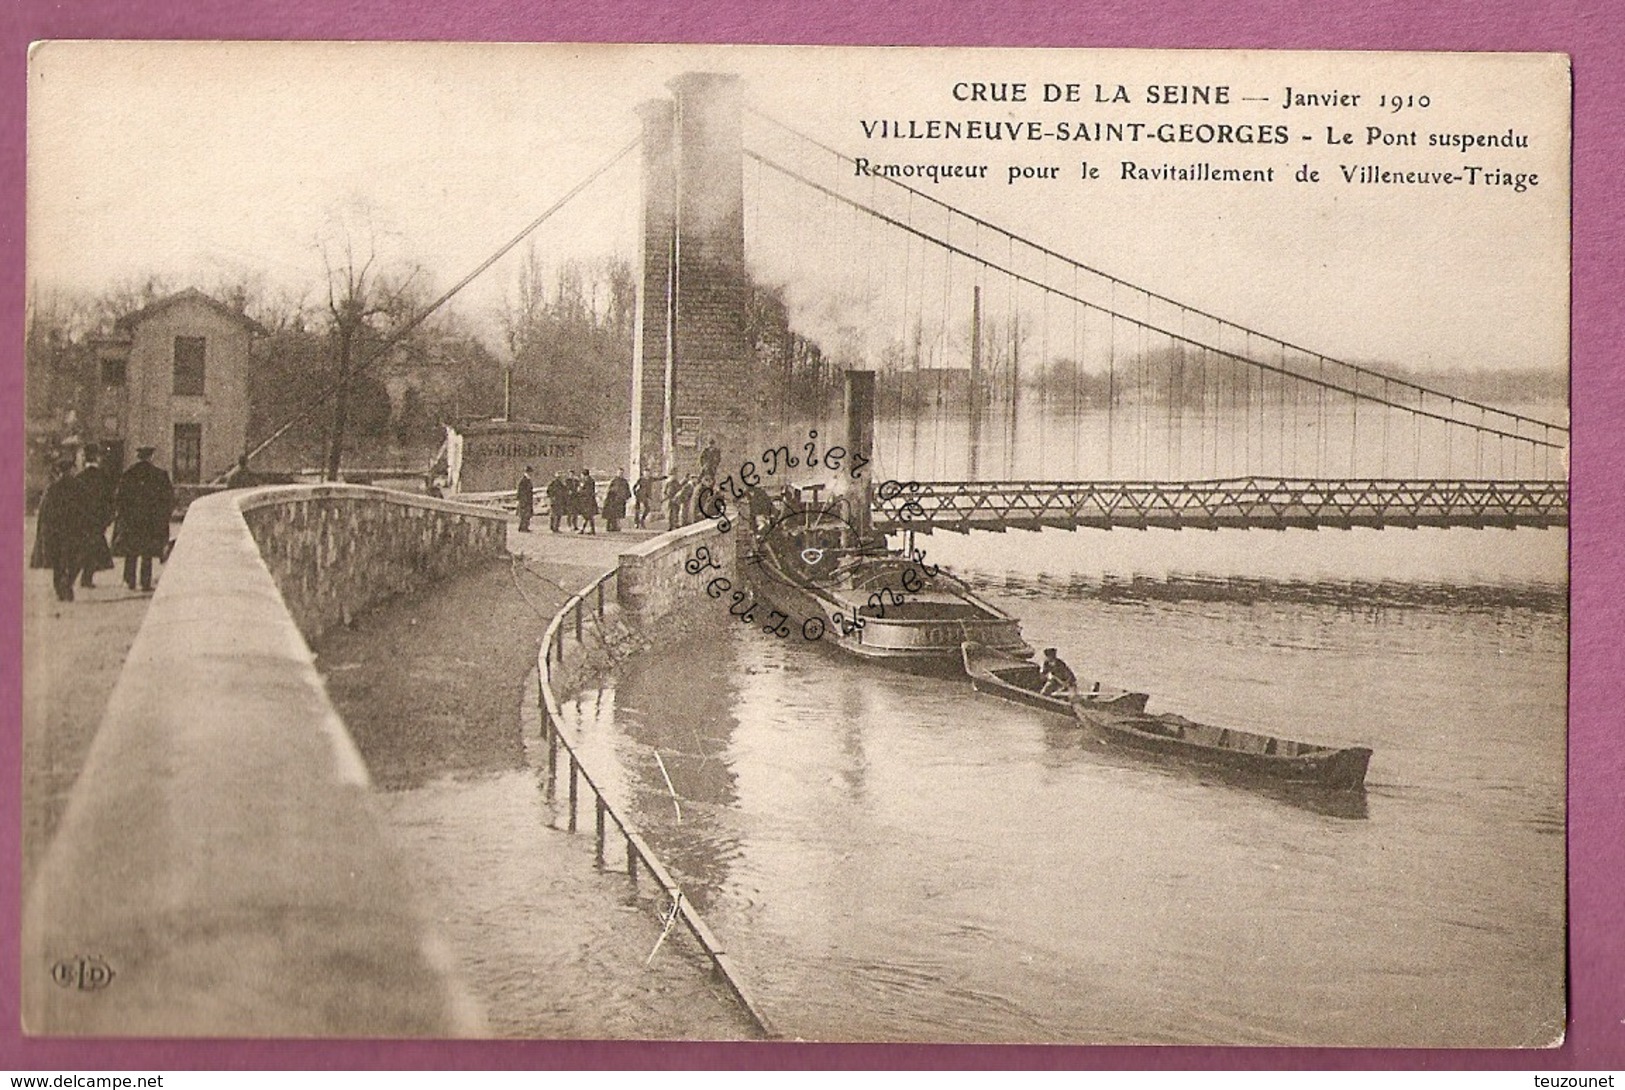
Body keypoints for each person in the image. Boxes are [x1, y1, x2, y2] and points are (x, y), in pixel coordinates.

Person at [112, 445, 175, 593]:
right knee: (147, 552)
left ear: (138, 457)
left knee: (131, 551)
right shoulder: (160, 474)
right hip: (150, 521)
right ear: (151, 457)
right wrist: (163, 517)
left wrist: (124, 516)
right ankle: (145, 582)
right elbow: (168, 499)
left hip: (132, 520)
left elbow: (120, 499)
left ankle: (130, 580)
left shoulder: (128, 474)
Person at [36, 459, 89, 602]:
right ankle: (68, 583)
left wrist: (45, 530)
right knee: (75, 559)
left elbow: (45, 511)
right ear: (70, 470)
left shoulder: (52, 488)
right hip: (74, 529)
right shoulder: (79, 486)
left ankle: (60, 588)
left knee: (58, 561)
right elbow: (86, 509)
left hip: (57, 530)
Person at [76, 445, 116, 588]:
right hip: (98, 521)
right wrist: (108, 519)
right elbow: (110, 500)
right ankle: (87, 578)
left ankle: (81, 577)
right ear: (97, 458)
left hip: (82, 521)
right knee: (95, 548)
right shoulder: (103, 477)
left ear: (85, 458)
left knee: (82, 547)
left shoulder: (79, 477)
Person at [603, 469, 631, 533]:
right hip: (613, 500)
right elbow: (609, 489)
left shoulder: (624, 481)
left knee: (618, 514)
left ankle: (616, 527)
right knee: (612, 514)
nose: (620, 474)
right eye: (619, 473)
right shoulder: (614, 481)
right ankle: (610, 527)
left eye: (621, 473)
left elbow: (627, 490)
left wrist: (627, 497)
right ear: (617, 473)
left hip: (621, 500)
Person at [577, 469, 599, 534]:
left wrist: (580, 491)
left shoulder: (586, 481)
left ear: (583, 475)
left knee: (587, 516)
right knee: (588, 516)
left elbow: (587, 491)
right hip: (590, 500)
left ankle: (588, 530)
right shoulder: (591, 480)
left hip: (586, 501)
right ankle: (588, 529)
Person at [515, 466, 535, 533]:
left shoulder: (528, 480)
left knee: (527, 515)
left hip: (528, 500)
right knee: (524, 515)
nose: (531, 474)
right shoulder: (523, 480)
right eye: (530, 472)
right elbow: (520, 491)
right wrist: (521, 500)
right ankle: (522, 528)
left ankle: (525, 527)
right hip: (524, 500)